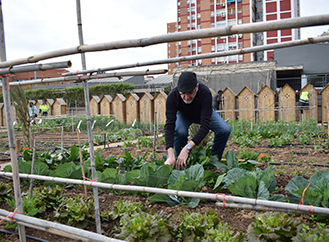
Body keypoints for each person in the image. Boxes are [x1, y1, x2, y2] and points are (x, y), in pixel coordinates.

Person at [164, 71, 231, 170]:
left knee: (224, 130)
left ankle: (212, 163)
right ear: (178, 90)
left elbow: (205, 127)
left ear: (197, 87)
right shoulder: (172, 97)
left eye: (190, 93)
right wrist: (170, 154)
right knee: (180, 131)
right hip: (183, 115)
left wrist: (187, 148)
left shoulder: (205, 93)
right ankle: (179, 163)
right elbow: (169, 126)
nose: (186, 97)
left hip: (203, 113)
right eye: (183, 94)